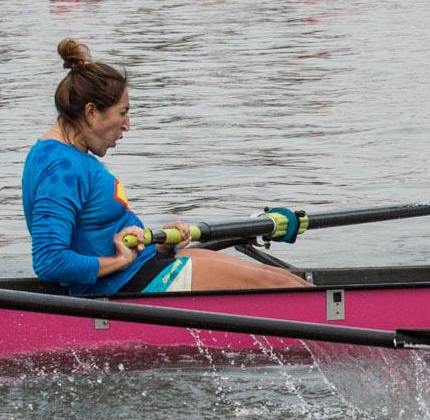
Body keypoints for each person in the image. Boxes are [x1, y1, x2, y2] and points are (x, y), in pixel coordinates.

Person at [27, 39, 304, 297]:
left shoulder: (61, 155)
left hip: (142, 267)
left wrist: (160, 244)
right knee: (280, 286)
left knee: (285, 279)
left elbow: (94, 235)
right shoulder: (61, 166)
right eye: (122, 113)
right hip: (125, 283)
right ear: (90, 113)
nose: (127, 125)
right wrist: (120, 260)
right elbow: (51, 260)